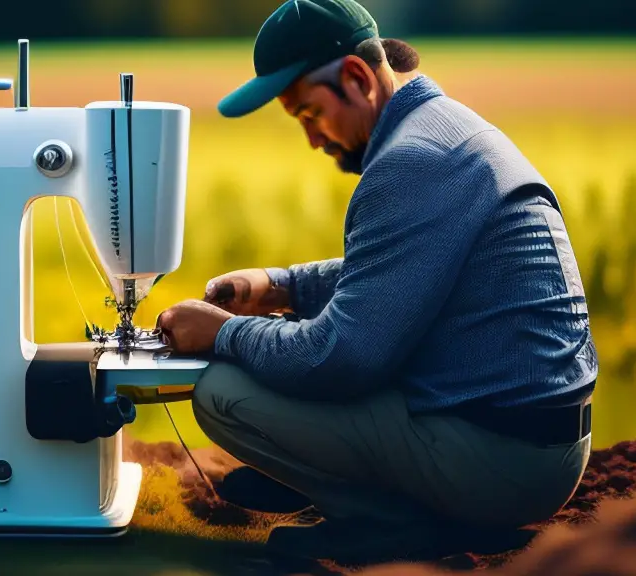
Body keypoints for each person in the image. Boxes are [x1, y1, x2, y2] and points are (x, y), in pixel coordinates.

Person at [154, 0, 598, 565]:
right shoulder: (442, 128)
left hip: (503, 462)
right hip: (533, 438)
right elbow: (397, 273)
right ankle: (332, 479)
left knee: (223, 392)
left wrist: (222, 333)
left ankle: (386, 518)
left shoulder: (410, 163)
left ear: (358, 78)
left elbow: (341, 356)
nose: (314, 140)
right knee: (290, 343)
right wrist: (279, 286)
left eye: (309, 114)